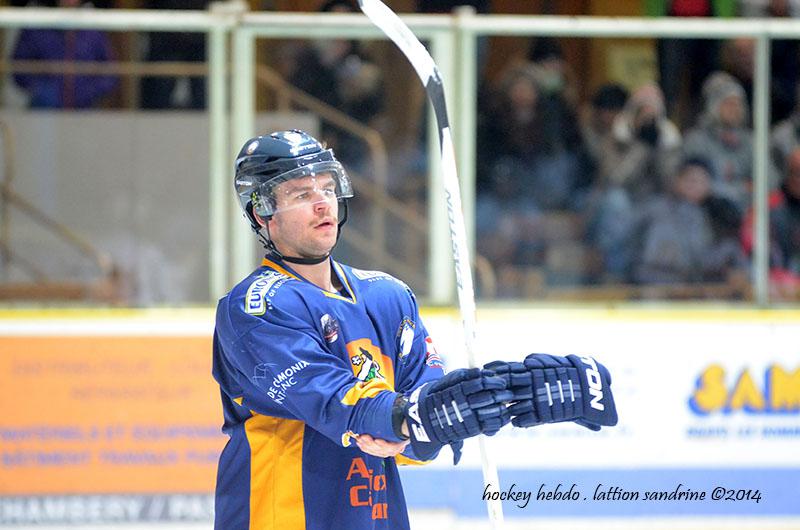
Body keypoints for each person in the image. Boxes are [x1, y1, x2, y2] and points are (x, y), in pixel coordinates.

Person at [212, 130, 618, 529]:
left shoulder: (387, 296)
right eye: (302, 195)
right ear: (262, 213)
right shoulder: (255, 307)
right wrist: (404, 417)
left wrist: (496, 398)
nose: (323, 204)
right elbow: (333, 403)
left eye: (328, 188)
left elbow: (421, 428)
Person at [12, 0, 118, 109]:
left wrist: (89, 91)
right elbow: (18, 66)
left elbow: (110, 72)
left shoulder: (93, 28)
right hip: (44, 109)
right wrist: (39, 88)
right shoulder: (37, 24)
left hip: (84, 109)